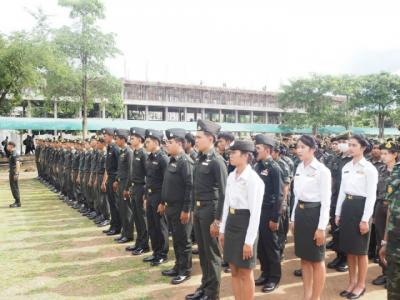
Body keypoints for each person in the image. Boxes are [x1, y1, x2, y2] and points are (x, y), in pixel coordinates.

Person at [185, 120, 227, 300]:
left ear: (210, 139)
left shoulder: (217, 161)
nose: (196, 140)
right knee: (202, 253)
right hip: (200, 209)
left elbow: (225, 194)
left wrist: (218, 220)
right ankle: (205, 286)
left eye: (199, 137)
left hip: (211, 211)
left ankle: (212, 294)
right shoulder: (199, 158)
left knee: (212, 254)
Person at [219, 140, 264, 300]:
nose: (230, 155)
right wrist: (223, 230)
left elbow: (255, 214)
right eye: (230, 153)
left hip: (245, 225)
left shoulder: (253, 180)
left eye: (233, 153)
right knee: (234, 270)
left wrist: (249, 242)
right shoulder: (232, 175)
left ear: (245, 156)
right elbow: (226, 204)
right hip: (231, 223)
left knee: (245, 272)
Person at [335, 135, 378, 299]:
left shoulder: (369, 168)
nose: (350, 147)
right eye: (349, 145)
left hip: (361, 208)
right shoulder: (346, 166)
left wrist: (365, 219)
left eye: (354, 145)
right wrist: (338, 212)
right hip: (347, 206)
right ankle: (352, 282)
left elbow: (371, 196)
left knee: (360, 251)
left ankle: (361, 284)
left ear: (362, 148)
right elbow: (341, 192)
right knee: (349, 250)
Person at [291, 135, 331, 300]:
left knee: (316, 259)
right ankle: (307, 295)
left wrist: (321, 227)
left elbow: (326, 201)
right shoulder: (299, 167)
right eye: (297, 147)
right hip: (300, 214)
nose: (298, 150)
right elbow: (296, 196)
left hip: (314, 215)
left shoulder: (322, 171)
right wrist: (293, 218)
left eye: (302, 147)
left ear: (312, 149)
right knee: (305, 258)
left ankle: (316, 297)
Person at [161, 128, 194, 284]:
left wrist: (186, 210)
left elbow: (190, 187)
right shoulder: (172, 160)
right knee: (176, 239)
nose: (167, 144)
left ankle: (185, 270)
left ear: (180, 143)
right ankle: (177, 266)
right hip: (171, 207)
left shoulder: (185, 162)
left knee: (184, 240)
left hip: (181, 208)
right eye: (167, 142)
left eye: (170, 142)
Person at [253, 135, 283, 293]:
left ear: (267, 150)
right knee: (261, 246)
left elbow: (279, 195)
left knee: (271, 246)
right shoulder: (257, 166)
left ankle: (274, 277)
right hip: (258, 211)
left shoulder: (274, 168)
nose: (255, 150)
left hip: (269, 211)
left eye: (258, 148)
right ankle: (265, 272)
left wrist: (275, 218)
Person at [371, 141, 398, 287]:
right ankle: (385, 272)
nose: (383, 156)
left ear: (395, 154)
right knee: (381, 239)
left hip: (395, 211)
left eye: (386, 153)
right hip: (381, 206)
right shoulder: (380, 170)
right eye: (382, 153)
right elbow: (376, 192)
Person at [142, 129, 169, 266]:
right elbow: (149, 179)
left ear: (156, 142)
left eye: (148, 142)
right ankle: (155, 252)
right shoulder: (150, 157)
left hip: (159, 196)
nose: (145, 144)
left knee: (160, 226)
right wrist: (146, 197)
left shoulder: (163, 158)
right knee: (151, 226)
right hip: (151, 195)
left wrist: (163, 202)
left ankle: (163, 254)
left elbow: (166, 181)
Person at [126, 127, 150, 256]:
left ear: (140, 139)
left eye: (133, 138)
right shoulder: (135, 152)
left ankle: (144, 245)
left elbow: (147, 176)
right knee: (136, 217)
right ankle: (138, 242)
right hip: (135, 188)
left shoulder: (143, 154)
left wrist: (145, 194)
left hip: (141, 188)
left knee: (142, 218)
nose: (130, 139)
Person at [378, 157, 400, 300]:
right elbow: (390, 209)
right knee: (394, 291)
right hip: (395, 243)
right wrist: (385, 242)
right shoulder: (397, 171)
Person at [113, 129, 134, 244]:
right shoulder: (122, 152)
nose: (115, 140)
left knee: (127, 210)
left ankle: (129, 234)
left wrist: (127, 187)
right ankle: (124, 232)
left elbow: (130, 171)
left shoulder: (129, 152)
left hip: (126, 183)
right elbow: (120, 169)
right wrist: (116, 180)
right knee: (121, 208)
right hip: (121, 182)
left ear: (123, 139)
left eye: (117, 138)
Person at [101, 128, 122, 237]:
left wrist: (117, 180)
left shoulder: (115, 148)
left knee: (115, 204)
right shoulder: (109, 148)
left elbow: (120, 165)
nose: (103, 138)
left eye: (105, 136)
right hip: (110, 178)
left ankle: (117, 227)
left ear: (110, 136)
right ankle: (113, 225)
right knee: (111, 204)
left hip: (114, 178)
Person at [7, 141, 21, 208]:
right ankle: (16, 201)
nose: (7, 147)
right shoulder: (12, 153)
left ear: (11, 146)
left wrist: (17, 173)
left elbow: (17, 163)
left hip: (14, 173)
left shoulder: (14, 153)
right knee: (13, 187)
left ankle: (18, 202)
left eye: (8, 145)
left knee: (14, 187)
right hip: (12, 172)